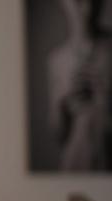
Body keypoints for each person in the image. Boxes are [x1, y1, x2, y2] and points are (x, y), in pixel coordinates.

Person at [48, 0, 112, 171]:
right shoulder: (57, 60)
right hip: (75, 164)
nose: (87, 9)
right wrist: (63, 103)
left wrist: (105, 101)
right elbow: (58, 134)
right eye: (78, 1)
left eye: (92, 1)